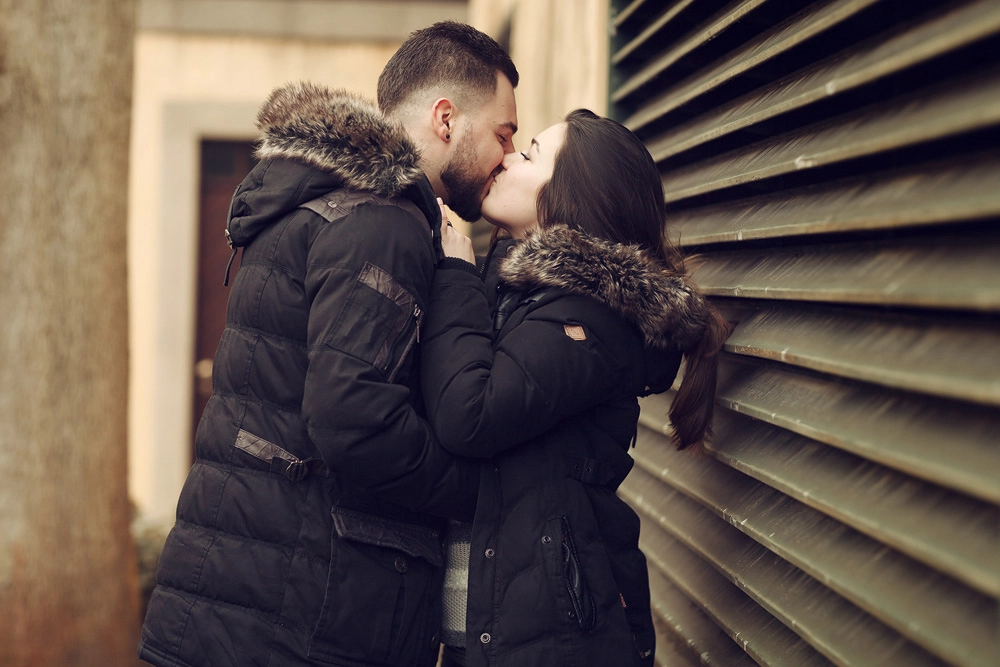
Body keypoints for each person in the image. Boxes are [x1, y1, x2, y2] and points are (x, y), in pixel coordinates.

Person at [138, 22, 518, 667]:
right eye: (504, 134)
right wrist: (485, 492)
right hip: (300, 617)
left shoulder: (314, 206)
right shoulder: (383, 225)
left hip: (232, 604)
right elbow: (353, 418)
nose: (507, 156)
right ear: (446, 119)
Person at [419, 109, 732, 667]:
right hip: (499, 625)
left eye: (530, 153)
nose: (508, 157)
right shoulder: (522, 295)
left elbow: (470, 414)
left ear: (568, 197)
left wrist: (457, 277)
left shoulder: (592, 317)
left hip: (557, 639)